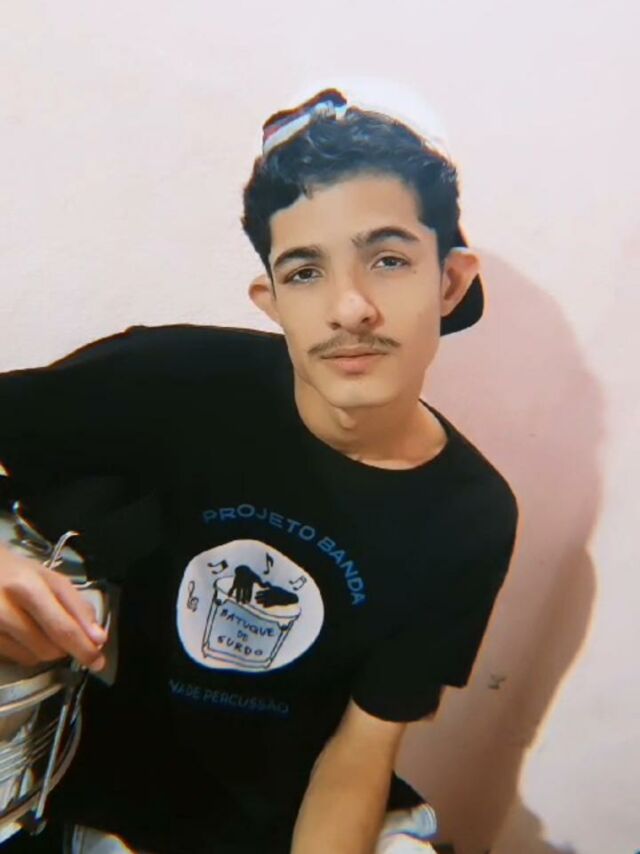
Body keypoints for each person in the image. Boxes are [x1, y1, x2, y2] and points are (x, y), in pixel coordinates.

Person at [0, 88, 518, 854]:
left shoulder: (469, 514)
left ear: (449, 281)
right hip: (101, 802)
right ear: (269, 298)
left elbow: (359, 754)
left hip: (291, 816)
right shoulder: (175, 379)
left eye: (388, 259)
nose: (350, 308)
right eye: (305, 271)